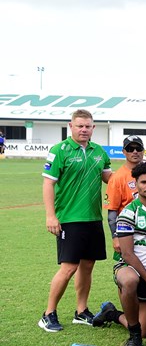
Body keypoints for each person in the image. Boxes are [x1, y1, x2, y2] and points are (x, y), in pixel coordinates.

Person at [92, 162, 146, 346]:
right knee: (129, 281)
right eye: (143, 182)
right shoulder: (128, 213)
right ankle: (134, 335)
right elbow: (127, 253)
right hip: (130, 268)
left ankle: (112, 314)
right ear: (136, 184)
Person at [40, 109, 112, 332]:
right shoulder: (59, 151)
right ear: (70, 126)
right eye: (79, 125)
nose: (84, 129)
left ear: (93, 128)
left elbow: (110, 179)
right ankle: (48, 314)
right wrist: (51, 216)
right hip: (69, 219)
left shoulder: (99, 152)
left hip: (93, 218)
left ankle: (81, 312)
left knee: (87, 266)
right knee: (69, 267)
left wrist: (134, 175)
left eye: (87, 126)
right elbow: (48, 184)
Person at [105, 135, 145, 259]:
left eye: (138, 148)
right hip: (128, 232)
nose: (134, 152)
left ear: (143, 151)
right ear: (123, 152)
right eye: (130, 149)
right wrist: (115, 236)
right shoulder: (117, 178)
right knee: (129, 273)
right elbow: (112, 213)